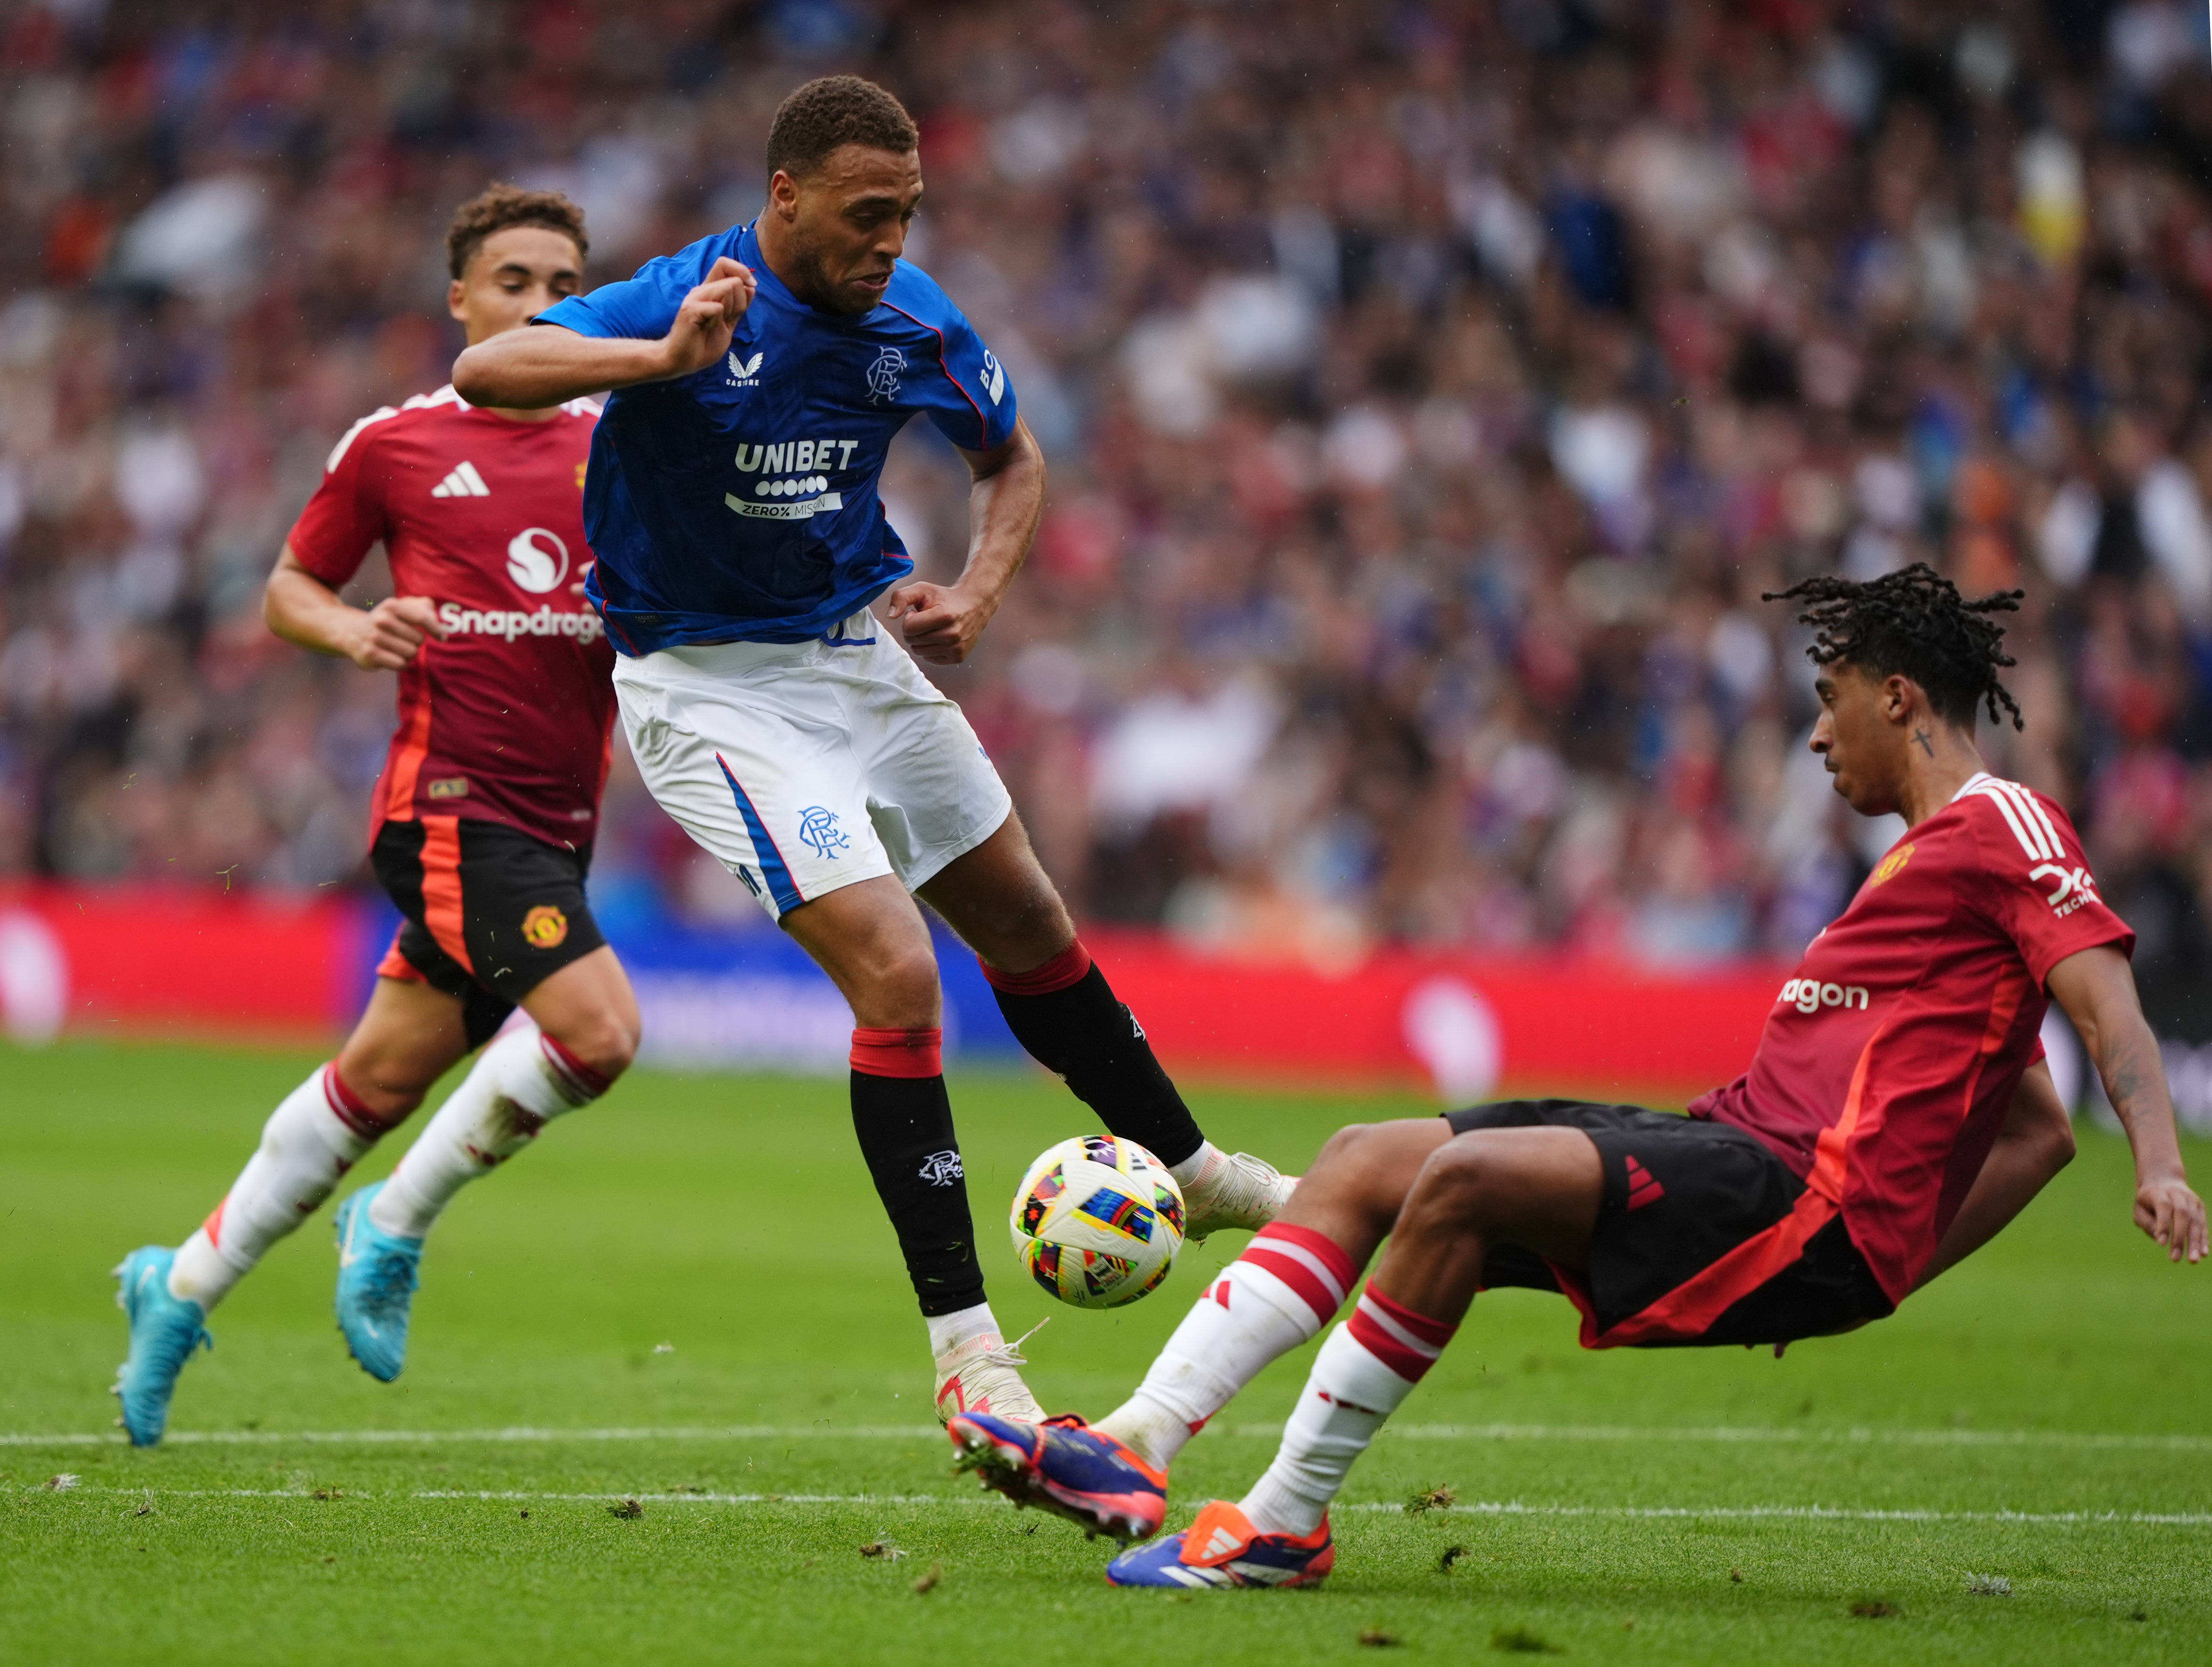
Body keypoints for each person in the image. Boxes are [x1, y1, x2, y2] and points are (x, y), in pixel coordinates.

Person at [949, 564, 2209, 1586]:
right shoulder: (1915, 867)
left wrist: (2148, 1165)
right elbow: (2033, 1127)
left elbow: (2108, 1013)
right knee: (1366, 1157)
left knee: (1464, 1180)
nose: (1819, 736)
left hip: (1793, 1198)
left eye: (1830, 700)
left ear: (1899, 695)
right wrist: (1898, 1268)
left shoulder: (2007, 827)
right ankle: (1133, 1443)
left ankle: (1283, 1519)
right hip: (1745, 1152)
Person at [450, 74, 1294, 1423]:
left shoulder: (913, 320)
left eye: (905, 212)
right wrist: (658, 360)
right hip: (710, 687)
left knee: (1027, 918)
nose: (891, 240)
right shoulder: (689, 293)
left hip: (855, 651)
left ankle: (1187, 1172)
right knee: (901, 975)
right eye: (865, 214)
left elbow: (1010, 459)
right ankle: (971, 1360)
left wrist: (977, 593)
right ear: (783, 199)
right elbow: (485, 370)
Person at [112, 186, 640, 1446]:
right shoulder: (394, 444)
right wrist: (355, 626)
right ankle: (392, 1220)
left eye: (567, 285)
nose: (543, 306)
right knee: (602, 1032)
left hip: (558, 820)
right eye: (515, 281)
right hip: (449, 809)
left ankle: (175, 1290)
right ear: (461, 301)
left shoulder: (620, 446)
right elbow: (291, 583)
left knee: (376, 1078)